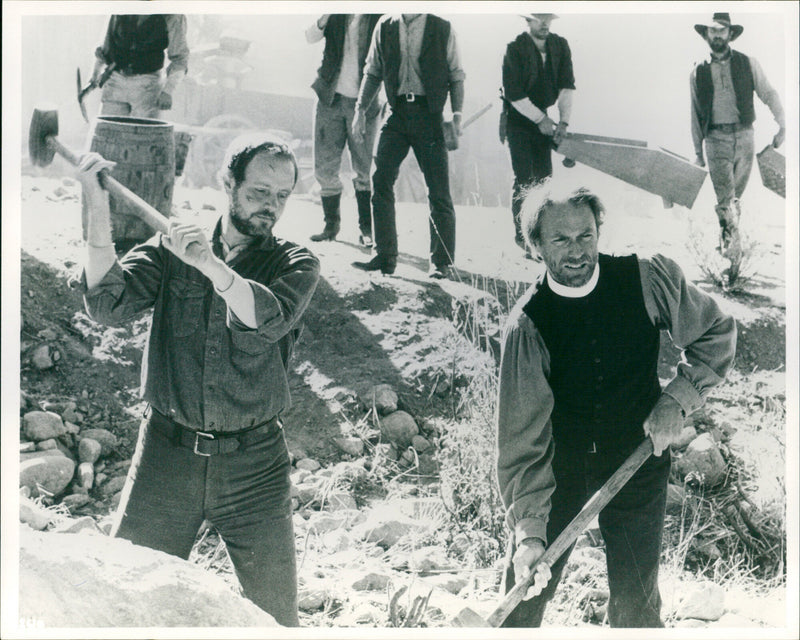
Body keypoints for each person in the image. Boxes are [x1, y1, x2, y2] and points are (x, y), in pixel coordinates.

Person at [77, 134, 320, 627]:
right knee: (125, 605)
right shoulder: (172, 246)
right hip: (166, 459)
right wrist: (94, 202)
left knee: (275, 620)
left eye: (281, 196)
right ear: (227, 183)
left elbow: (263, 321)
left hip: (256, 468)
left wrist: (209, 264)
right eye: (257, 193)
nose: (269, 207)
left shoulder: (296, 263)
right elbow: (106, 302)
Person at [496, 183, 736, 627]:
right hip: (560, 468)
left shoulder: (646, 280)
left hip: (638, 460)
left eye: (586, 235)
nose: (576, 251)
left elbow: (717, 334)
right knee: (522, 595)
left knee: (636, 607)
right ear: (535, 246)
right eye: (560, 240)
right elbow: (521, 442)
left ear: (599, 231)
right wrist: (529, 532)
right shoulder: (529, 326)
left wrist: (676, 401)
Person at [351, 13, 465, 279]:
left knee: (438, 189)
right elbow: (373, 71)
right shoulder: (385, 25)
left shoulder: (442, 27)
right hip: (396, 112)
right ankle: (384, 256)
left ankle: (441, 262)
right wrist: (360, 111)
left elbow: (456, 75)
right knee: (379, 179)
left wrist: (456, 115)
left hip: (431, 116)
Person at [690, 12, 785, 253]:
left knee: (734, 201)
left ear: (731, 34)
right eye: (713, 31)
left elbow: (768, 93)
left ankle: (727, 244)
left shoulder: (748, 63)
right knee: (726, 199)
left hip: (745, 138)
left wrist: (783, 123)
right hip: (715, 139)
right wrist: (697, 151)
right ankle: (731, 256)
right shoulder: (697, 72)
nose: (718, 35)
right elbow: (695, 114)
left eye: (722, 30)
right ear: (706, 35)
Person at [306, 14, 382, 246]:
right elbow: (310, 36)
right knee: (325, 166)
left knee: (363, 168)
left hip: (364, 102)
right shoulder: (335, 14)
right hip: (330, 99)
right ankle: (331, 226)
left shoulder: (380, 16)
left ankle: (366, 229)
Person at [501, 14, 575, 254]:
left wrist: (563, 123)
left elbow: (566, 87)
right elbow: (514, 93)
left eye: (547, 19)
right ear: (528, 21)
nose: (544, 23)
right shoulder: (514, 48)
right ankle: (523, 239)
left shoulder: (560, 45)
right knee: (524, 179)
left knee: (544, 180)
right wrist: (540, 119)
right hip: (517, 120)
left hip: (544, 120)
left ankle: (541, 238)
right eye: (538, 19)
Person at [91, 14, 189, 118]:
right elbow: (104, 48)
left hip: (147, 86)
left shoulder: (172, 15)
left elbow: (180, 59)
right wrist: (95, 74)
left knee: (144, 131)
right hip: (115, 83)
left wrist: (168, 90)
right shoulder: (119, 8)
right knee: (108, 130)